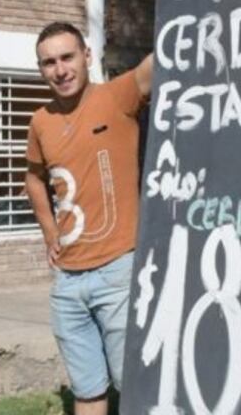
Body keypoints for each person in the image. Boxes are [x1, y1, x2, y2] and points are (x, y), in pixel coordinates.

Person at [25, 21, 153, 415]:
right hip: (68, 281)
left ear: (87, 56)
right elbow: (33, 179)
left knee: (134, 387)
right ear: (41, 69)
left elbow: (166, 55)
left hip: (118, 269)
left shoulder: (117, 96)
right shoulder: (40, 121)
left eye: (67, 57)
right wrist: (49, 234)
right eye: (49, 62)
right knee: (87, 390)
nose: (60, 70)